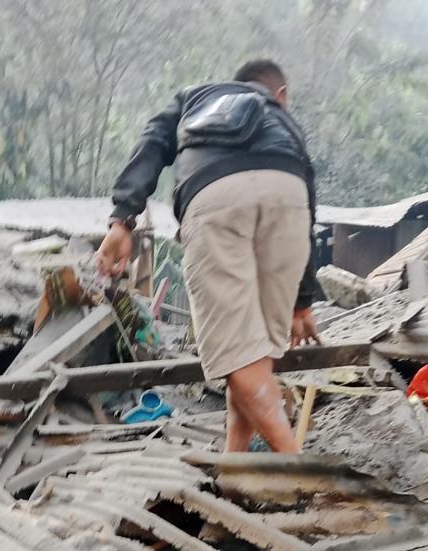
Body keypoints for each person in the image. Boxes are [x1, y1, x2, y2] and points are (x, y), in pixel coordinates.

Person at [96, 59, 320, 453]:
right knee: (254, 358)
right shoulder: (282, 120)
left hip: (216, 196)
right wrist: (302, 301)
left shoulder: (193, 98)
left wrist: (122, 220)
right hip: (289, 196)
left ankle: (299, 469)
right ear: (279, 95)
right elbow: (309, 199)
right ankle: (236, 467)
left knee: (239, 359)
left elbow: (152, 142)